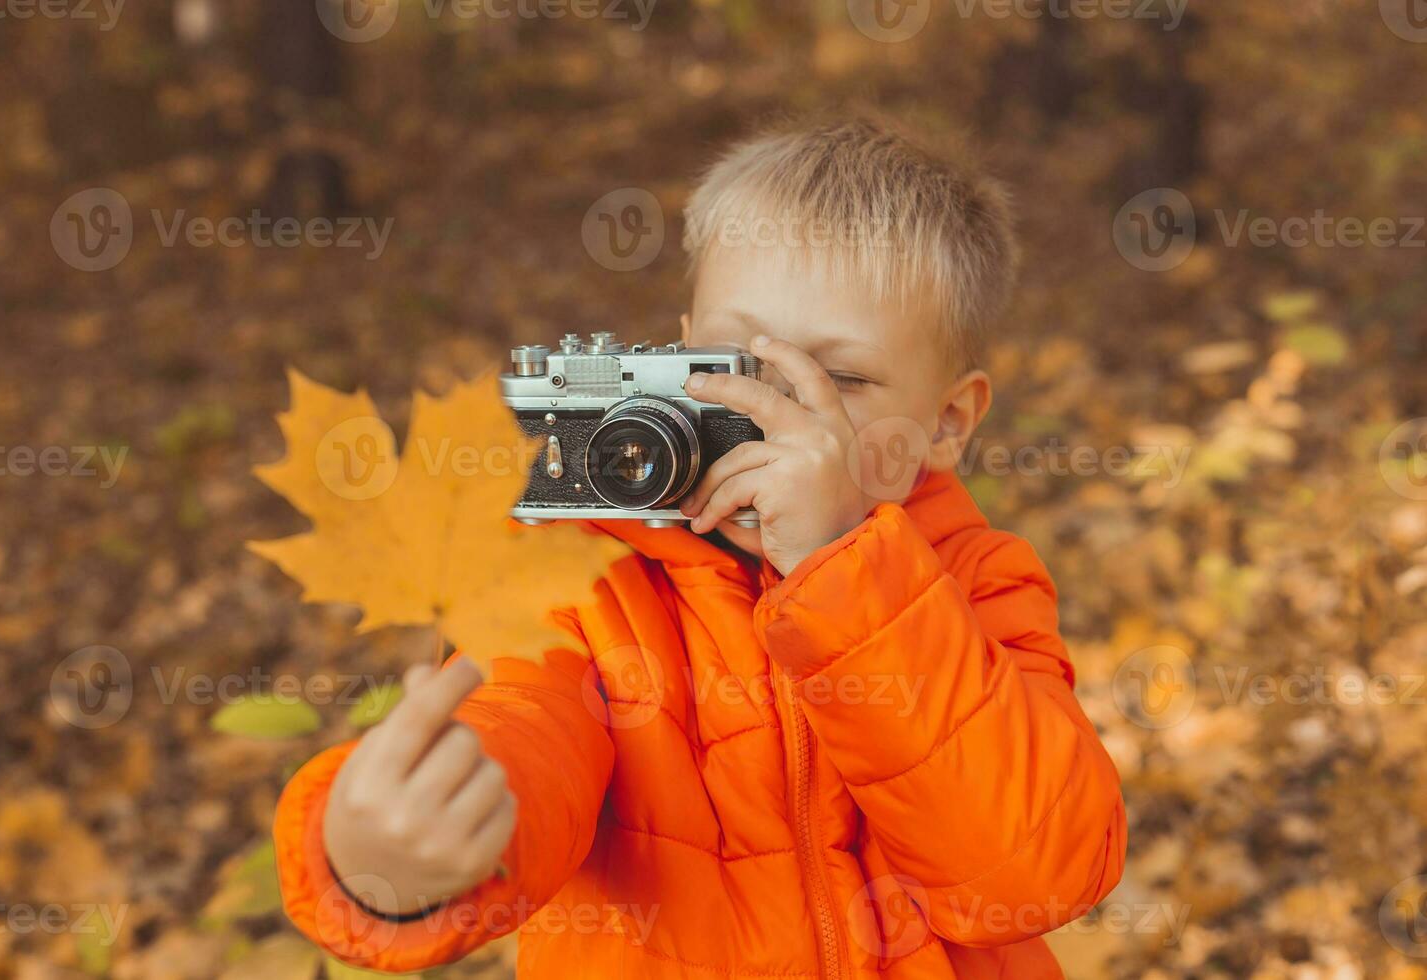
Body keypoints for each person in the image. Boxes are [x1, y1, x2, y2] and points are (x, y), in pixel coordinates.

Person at [273, 112, 1127, 979]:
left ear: (947, 423)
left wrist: (844, 570)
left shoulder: (978, 583)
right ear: (679, 349)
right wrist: (397, 860)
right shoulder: (583, 579)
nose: (771, 413)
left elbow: (1036, 870)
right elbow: (524, 725)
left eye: (842, 380)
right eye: (733, 360)